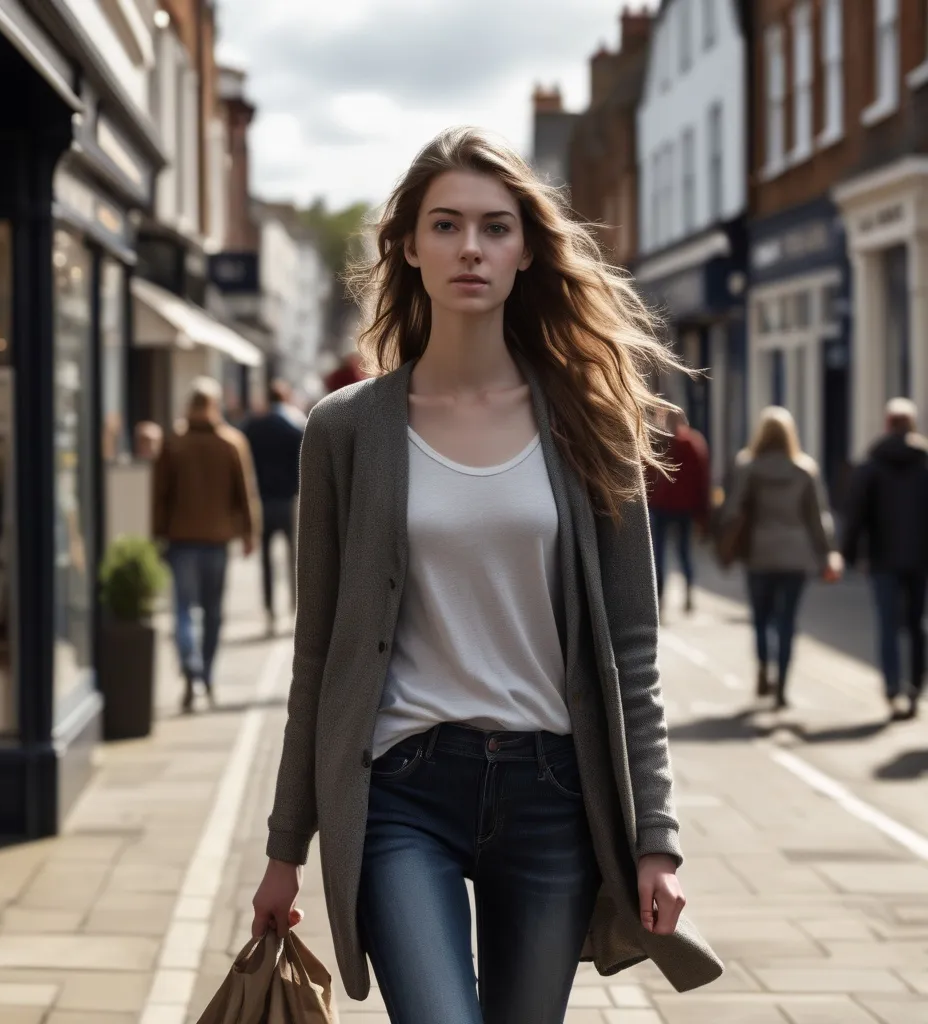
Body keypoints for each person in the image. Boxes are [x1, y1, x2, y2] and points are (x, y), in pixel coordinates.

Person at [250, 127, 721, 1024]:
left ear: (527, 251)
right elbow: (319, 657)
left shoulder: (590, 420)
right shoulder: (345, 431)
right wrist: (285, 847)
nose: (471, 246)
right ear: (409, 247)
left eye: (496, 227)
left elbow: (633, 650)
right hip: (401, 790)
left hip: (552, 792)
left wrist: (656, 840)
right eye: (446, 225)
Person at [152, 377, 261, 711]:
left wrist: (156, 533)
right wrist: (249, 532)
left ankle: (190, 667)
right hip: (216, 539)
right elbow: (245, 491)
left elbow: (160, 494)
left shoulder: (174, 443)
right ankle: (208, 673)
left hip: (181, 537)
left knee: (183, 609)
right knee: (213, 611)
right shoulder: (231, 442)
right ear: (214, 407)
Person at [721, 407, 841, 709]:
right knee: (787, 621)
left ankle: (763, 666)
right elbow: (818, 518)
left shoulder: (748, 467)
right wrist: (829, 552)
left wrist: (725, 540)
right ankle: (783, 686)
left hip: (759, 553)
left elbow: (733, 510)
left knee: (761, 618)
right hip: (796, 555)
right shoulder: (804, 470)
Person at [841, 398, 928, 720]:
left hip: (883, 559)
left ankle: (893, 687)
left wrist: (848, 555)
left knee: (888, 625)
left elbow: (856, 514)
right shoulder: (924, 462)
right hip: (920, 559)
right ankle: (916, 687)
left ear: (888, 424)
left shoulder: (872, 465)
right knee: (917, 625)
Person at [245, 380, 307, 636]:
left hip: (262, 501)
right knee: (295, 560)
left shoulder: (253, 428)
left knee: (266, 561)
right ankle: (296, 609)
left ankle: (270, 610)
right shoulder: (294, 427)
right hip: (289, 501)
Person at [646, 409, 710, 616]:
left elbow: (645, 474)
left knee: (658, 553)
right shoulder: (692, 443)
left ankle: (660, 597)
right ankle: (689, 590)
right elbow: (702, 478)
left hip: (661, 504)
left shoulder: (656, 442)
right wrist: (702, 511)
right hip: (684, 506)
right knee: (683, 551)